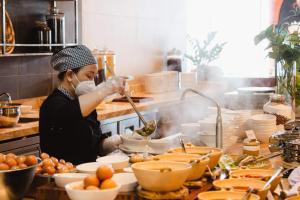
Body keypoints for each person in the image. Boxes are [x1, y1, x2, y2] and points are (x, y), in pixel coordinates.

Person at [39, 45, 125, 165]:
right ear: (69, 75)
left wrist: (119, 141)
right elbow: (72, 111)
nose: (92, 82)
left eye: (94, 77)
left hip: (88, 174)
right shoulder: (53, 105)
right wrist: (106, 89)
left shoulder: (86, 102)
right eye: (89, 76)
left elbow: (95, 145)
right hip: (62, 176)